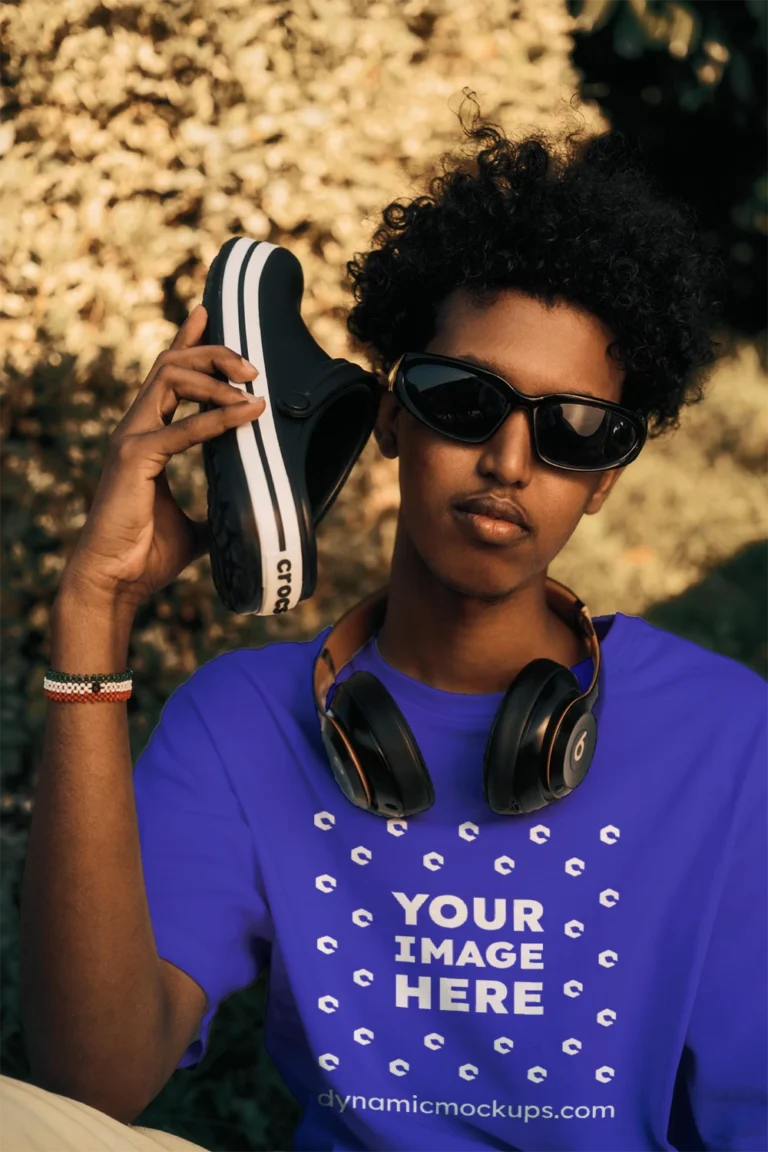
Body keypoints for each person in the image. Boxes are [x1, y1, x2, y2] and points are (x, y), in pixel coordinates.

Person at [8, 106, 768, 1152]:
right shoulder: (244, 722)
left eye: (574, 430)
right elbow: (88, 1084)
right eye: (464, 400)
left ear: (605, 480)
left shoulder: (730, 738)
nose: (508, 461)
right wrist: (93, 612)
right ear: (392, 414)